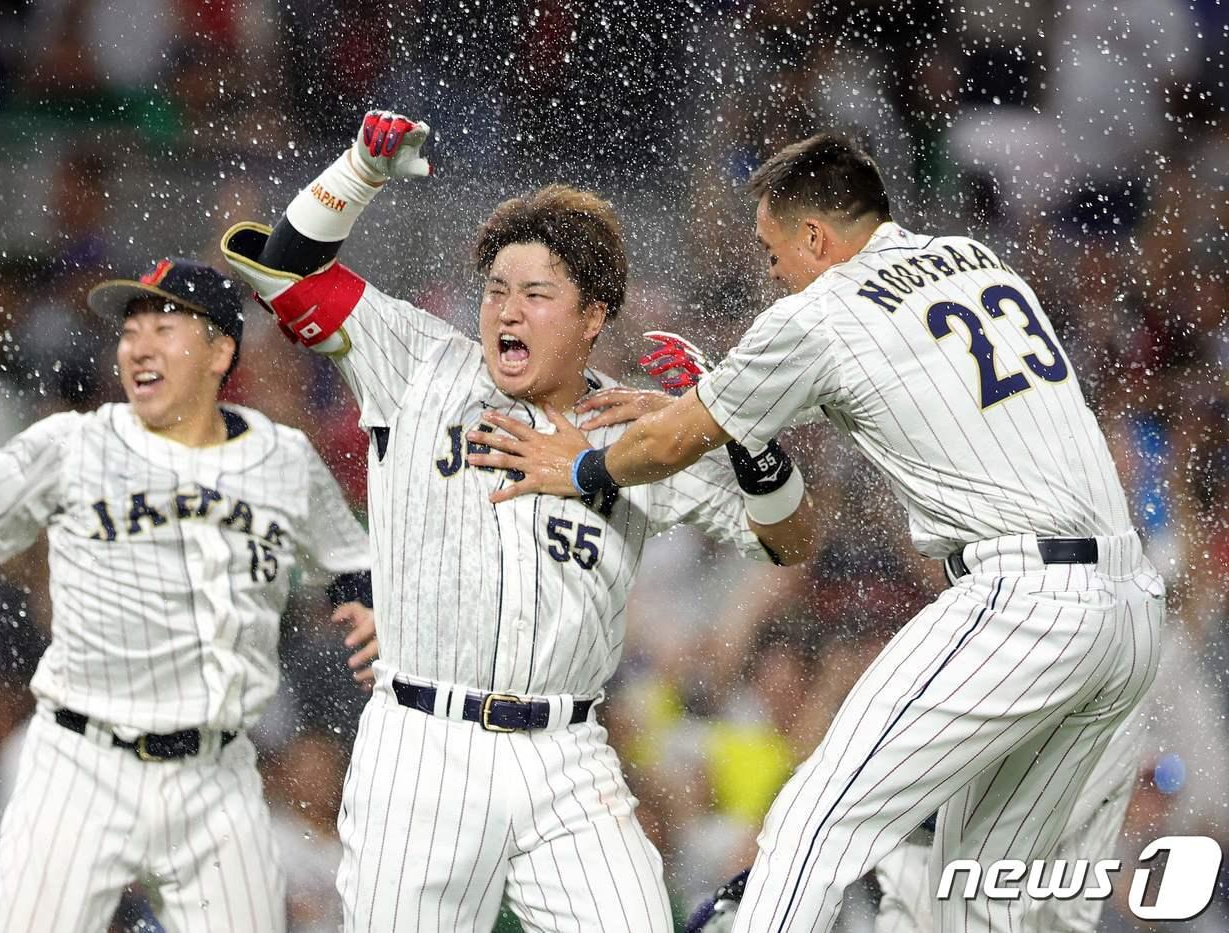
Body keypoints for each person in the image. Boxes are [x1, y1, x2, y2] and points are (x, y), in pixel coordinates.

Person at [471, 132, 1165, 931]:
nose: (771, 274)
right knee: (988, 897)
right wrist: (696, 409)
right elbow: (881, 390)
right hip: (1127, 611)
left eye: (774, 251)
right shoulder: (976, 260)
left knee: (815, 820)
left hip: (1025, 603)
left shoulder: (821, 312)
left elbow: (675, 443)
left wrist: (583, 467)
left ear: (814, 236)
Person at [219, 109, 815, 932]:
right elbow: (283, 271)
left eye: (537, 295)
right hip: (423, 747)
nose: (507, 310)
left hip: (566, 759)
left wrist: (738, 430)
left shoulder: (638, 432)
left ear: (593, 316)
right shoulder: (419, 364)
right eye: (496, 290)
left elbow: (789, 537)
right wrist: (360, 170)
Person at [0, 258, 377, 933]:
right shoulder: (74, 444)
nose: (138, 347)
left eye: (163, 328)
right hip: (83, 762)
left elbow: (351, 561)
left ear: (220, 351)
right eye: (130, 331)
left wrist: (365, 605)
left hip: (214, 774)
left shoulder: (284, 460)